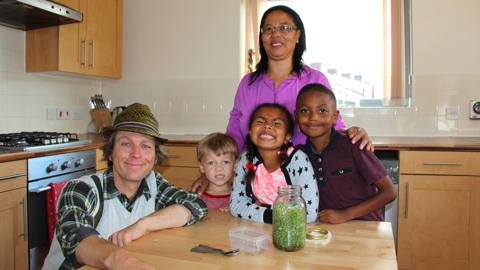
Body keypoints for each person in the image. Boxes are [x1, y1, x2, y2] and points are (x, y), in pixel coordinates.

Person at [191, 5, 373, 194]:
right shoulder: (248, 84)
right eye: (268, 29)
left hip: (306, 185)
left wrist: (353, 133)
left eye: (285, 28)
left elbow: (333, 128)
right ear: (262, 37)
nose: (276, 34)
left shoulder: (315, 79)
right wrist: (212, 173)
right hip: (256, 185)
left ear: (298, 35)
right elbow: (234, 137)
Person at [42, 103, 208, 270]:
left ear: (155, 157)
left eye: (145, 146)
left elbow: (195, 205)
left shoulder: (154, 184)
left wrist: (143, 225)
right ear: (110, 153)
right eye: (126, 144)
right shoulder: (81, 189)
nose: (136, 154)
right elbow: (76, 239)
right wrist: (124, 262)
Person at [295, 83, 396, 224]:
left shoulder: (354, 144)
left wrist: (345, 214)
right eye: (305, 111)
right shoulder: (299, 156)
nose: (313, 117)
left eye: (322, 110)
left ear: (335, 117)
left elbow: (389, 192)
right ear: (296, 116)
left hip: (366, 227)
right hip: (328, 229)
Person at [230, 103, 319, 223]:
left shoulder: (298, 160)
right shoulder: (246, 159)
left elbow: (308, 213)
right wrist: (271, 215)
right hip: (254, 231)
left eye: (276, 123)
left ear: (287, 136)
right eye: (260, 122)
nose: (267, 126)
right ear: (250, 132)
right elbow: (236, 205)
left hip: (292, 233)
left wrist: (261, 209)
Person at [197, 132, 238, 210]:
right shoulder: (196, 196)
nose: (219, 168)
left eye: (225, 162)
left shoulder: (241, 197)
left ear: (235, 165)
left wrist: (236, 211)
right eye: (211, 163)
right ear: (202, 167)